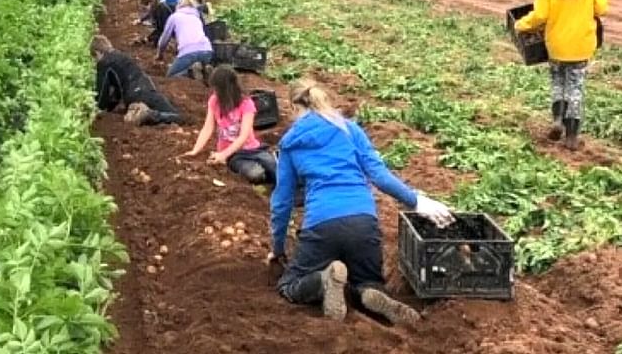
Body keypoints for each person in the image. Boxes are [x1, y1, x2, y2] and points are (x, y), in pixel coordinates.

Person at [268, 79, 454, 324]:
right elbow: (379, 175)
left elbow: (282, 201)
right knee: (367, 280)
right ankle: (368, 292)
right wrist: (417, 202)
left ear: (294, 107)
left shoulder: (291, 144)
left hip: (321, 224)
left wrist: (278, 248)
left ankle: (325, 281)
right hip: (363, 222)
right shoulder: (349, 129)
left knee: (289, 285)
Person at [515, 0, 608, 151]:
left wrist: (520, 25)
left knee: (558, 82)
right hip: (581, 45)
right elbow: (602, 8)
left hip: (557, 45)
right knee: (576, 88)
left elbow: (540, 16)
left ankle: (557, 119)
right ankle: (572, 137)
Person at [184, 66, 277, 184]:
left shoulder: (246, 103)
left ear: (225, 89)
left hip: (253, 149)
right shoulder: (214, 101)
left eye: (217, 89)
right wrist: (195, 150)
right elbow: (207, 127)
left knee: (274, 167)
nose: (214, 92)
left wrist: (222, 155)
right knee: (255, 174)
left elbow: (243, 136)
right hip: (233, 154)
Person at [91, 35, 183, 126]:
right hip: (147, 88)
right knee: (176, 116)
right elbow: (117, 91)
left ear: (98, 52)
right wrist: (110, 107)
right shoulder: (121, 56)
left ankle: (149, 114)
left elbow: (102, 90)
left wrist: (97, 109)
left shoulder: (104, 62)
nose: (95, 61)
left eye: (94, 58)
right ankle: (150, 114)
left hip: (133, 96)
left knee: (172, 117)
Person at [156, 0, 214, 80]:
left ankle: (190, 71)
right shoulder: (197, 16)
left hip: (188, 52)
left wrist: (159, 54)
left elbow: (164, 40)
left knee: (171, 76)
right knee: (194, 62)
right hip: (207, 50)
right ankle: (204, 69)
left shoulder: (174, 17)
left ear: (178, 4)